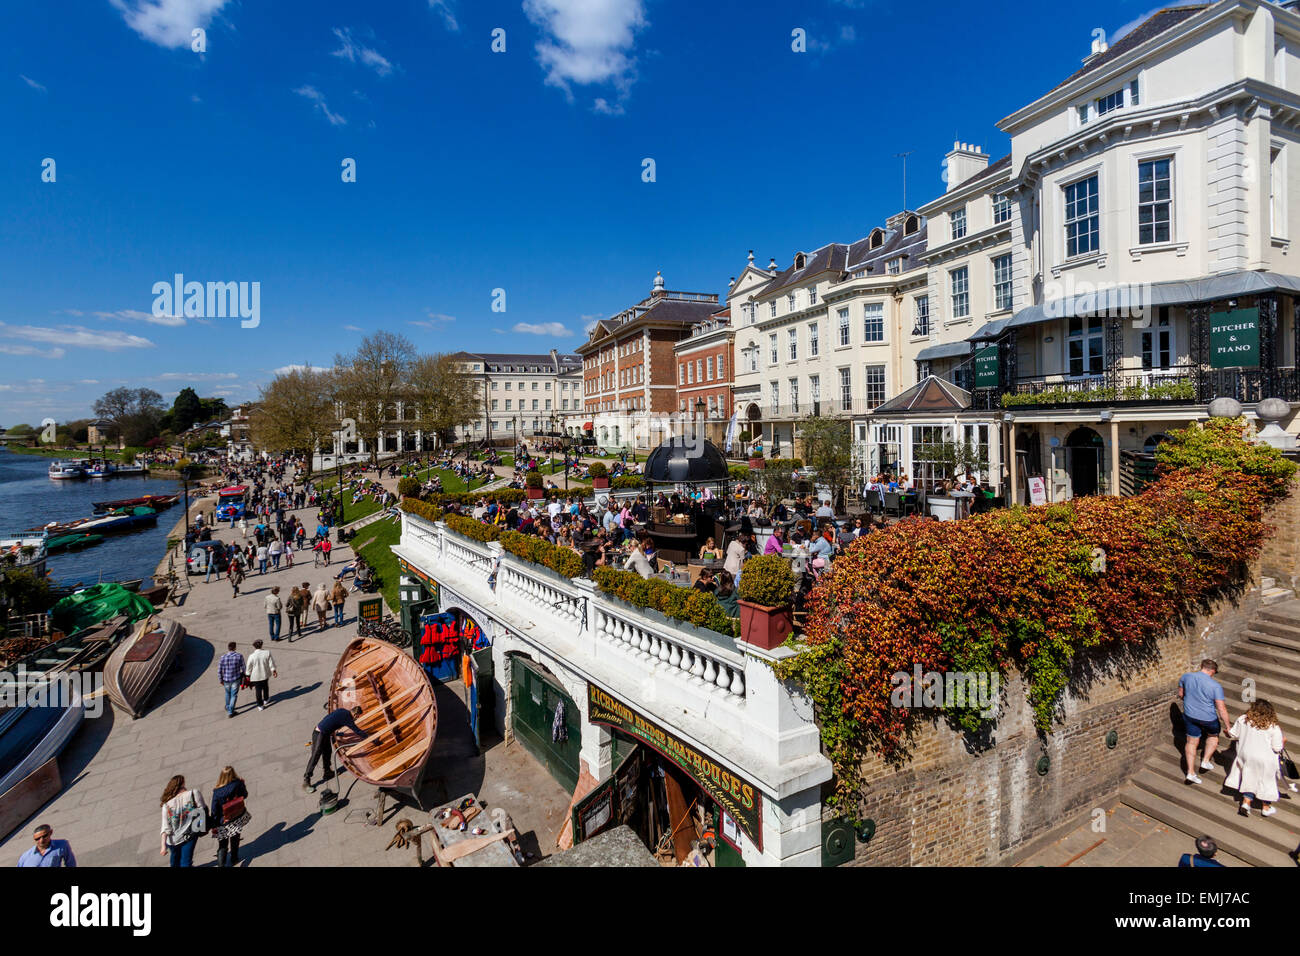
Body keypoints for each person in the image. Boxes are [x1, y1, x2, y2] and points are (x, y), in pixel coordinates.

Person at [1224, 700, 1286, 817]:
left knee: (1249, 778)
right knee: (1267, 782)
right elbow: (1277, 748)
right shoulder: (1273, 727)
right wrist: (1283, 742)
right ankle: (1266, 807)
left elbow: (1233, 734)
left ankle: (1246, 803)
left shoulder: (1243, 719)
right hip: (1265, 759)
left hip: (1246, 756)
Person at [1178, 658, 1230, 784]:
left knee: (1191, 742)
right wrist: (1228, 726)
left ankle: (1190, 772)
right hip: (1208, 718)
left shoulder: (1185, 677)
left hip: (1190, 715)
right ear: (1212, 671)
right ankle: (1205, 761)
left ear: (1202, 666)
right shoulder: (1215, 686)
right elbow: (1221, 708)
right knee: (1213, 735)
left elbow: (1181, 694)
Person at [304, 705, 367, 789]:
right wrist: (369, 738)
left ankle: (328, 773)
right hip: (319, 734)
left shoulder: (342, 710)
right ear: (355, 714)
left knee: (327, 751)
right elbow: (357, 731)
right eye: (357, 717)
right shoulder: (348, 718)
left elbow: (330, 718)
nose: (356, 719)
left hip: (324, 732)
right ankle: (306, 780)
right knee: (316, 755)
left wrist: (332, 731)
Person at [159, 775, 209, 867]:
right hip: (190, 834)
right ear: (183, 784)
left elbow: (165, 827)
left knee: (175, 861)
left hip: (172, 840)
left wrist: (163, 846)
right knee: (186, 861)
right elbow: (203, 810)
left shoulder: (166, 805)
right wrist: (201, 826)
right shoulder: (194, 793)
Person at [210, 767, 251, 867]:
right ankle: (234, 858)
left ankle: (221, 864)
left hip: (223, 820)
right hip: (237, 816)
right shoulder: (238, 783)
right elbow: (244, 795)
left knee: (222, 845)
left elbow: (214, 810)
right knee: (235, 839)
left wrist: (214, 824)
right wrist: (243, 785)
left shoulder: (217, 792)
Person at [245, 639, 277, 710]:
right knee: (265, 687)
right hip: (265, 674)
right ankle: (266, 699)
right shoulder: (267, 652)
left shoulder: (251, 656)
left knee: (258, 690)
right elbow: (271, 663)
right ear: (261, 645)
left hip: (255, 677)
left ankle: (260, 705)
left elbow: (249, 667)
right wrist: (274, 671)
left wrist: (247, 675)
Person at [218, 642, 245, 718]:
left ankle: (227, 706)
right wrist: (244, 676)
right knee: (234, 695)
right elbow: (243, 668)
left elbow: (219, 670)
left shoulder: (223, 657)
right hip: (235, 679)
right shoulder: (239, 656)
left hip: (226, 679)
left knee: (227, 693)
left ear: (228, 648)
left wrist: (220, 679)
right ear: (235, 648)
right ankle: (231, 712)